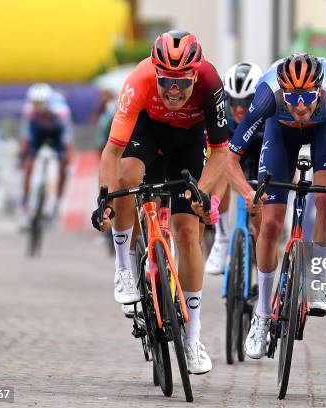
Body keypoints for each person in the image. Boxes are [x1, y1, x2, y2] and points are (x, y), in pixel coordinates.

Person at [91, 31, 229, 374]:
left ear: (195, 76)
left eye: (182, 83)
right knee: (126, 180)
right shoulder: (138, 81)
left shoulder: (211, 83)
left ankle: (192, 338)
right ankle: (124, 267)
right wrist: (105, 199)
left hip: (189, 142)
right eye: (166, 80)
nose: (173, 90)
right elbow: (111, 151)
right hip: (147, 133)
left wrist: (202, 191)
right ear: (156, 73)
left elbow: (222, 152)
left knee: (187, 233)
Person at [226, 53, 326, 359]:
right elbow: (231, 158)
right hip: (281, 132)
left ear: (319, 91)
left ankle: (317, 279)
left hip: (324, 129)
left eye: (307, 97)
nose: (300, 106)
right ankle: (262, 315)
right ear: (282, 92)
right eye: (292, 97)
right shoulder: (268, 95)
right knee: (272, 222)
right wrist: (247, 193)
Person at [204, 62, 265, 275]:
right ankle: (221, 236)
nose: (239, 108)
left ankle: (261, 241)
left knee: (263, 204)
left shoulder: (269, 111)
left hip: (260, 154)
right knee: (219, 165)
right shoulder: (221, 111)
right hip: (233, 154)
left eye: (246, 101)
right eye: (234, 101)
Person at [19, 83, 74, 226]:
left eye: (39, 103)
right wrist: (22, 155)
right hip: (38, 134)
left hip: (55, 135)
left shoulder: (61, 110)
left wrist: (67, 157)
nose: (36, 106)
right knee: (29, 166)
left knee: (62, 168)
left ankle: (56, 202)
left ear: (47, 101)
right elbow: (26, 135)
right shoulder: (28, 110)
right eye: (34, 103)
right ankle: (25, 203)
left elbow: (66, 136)